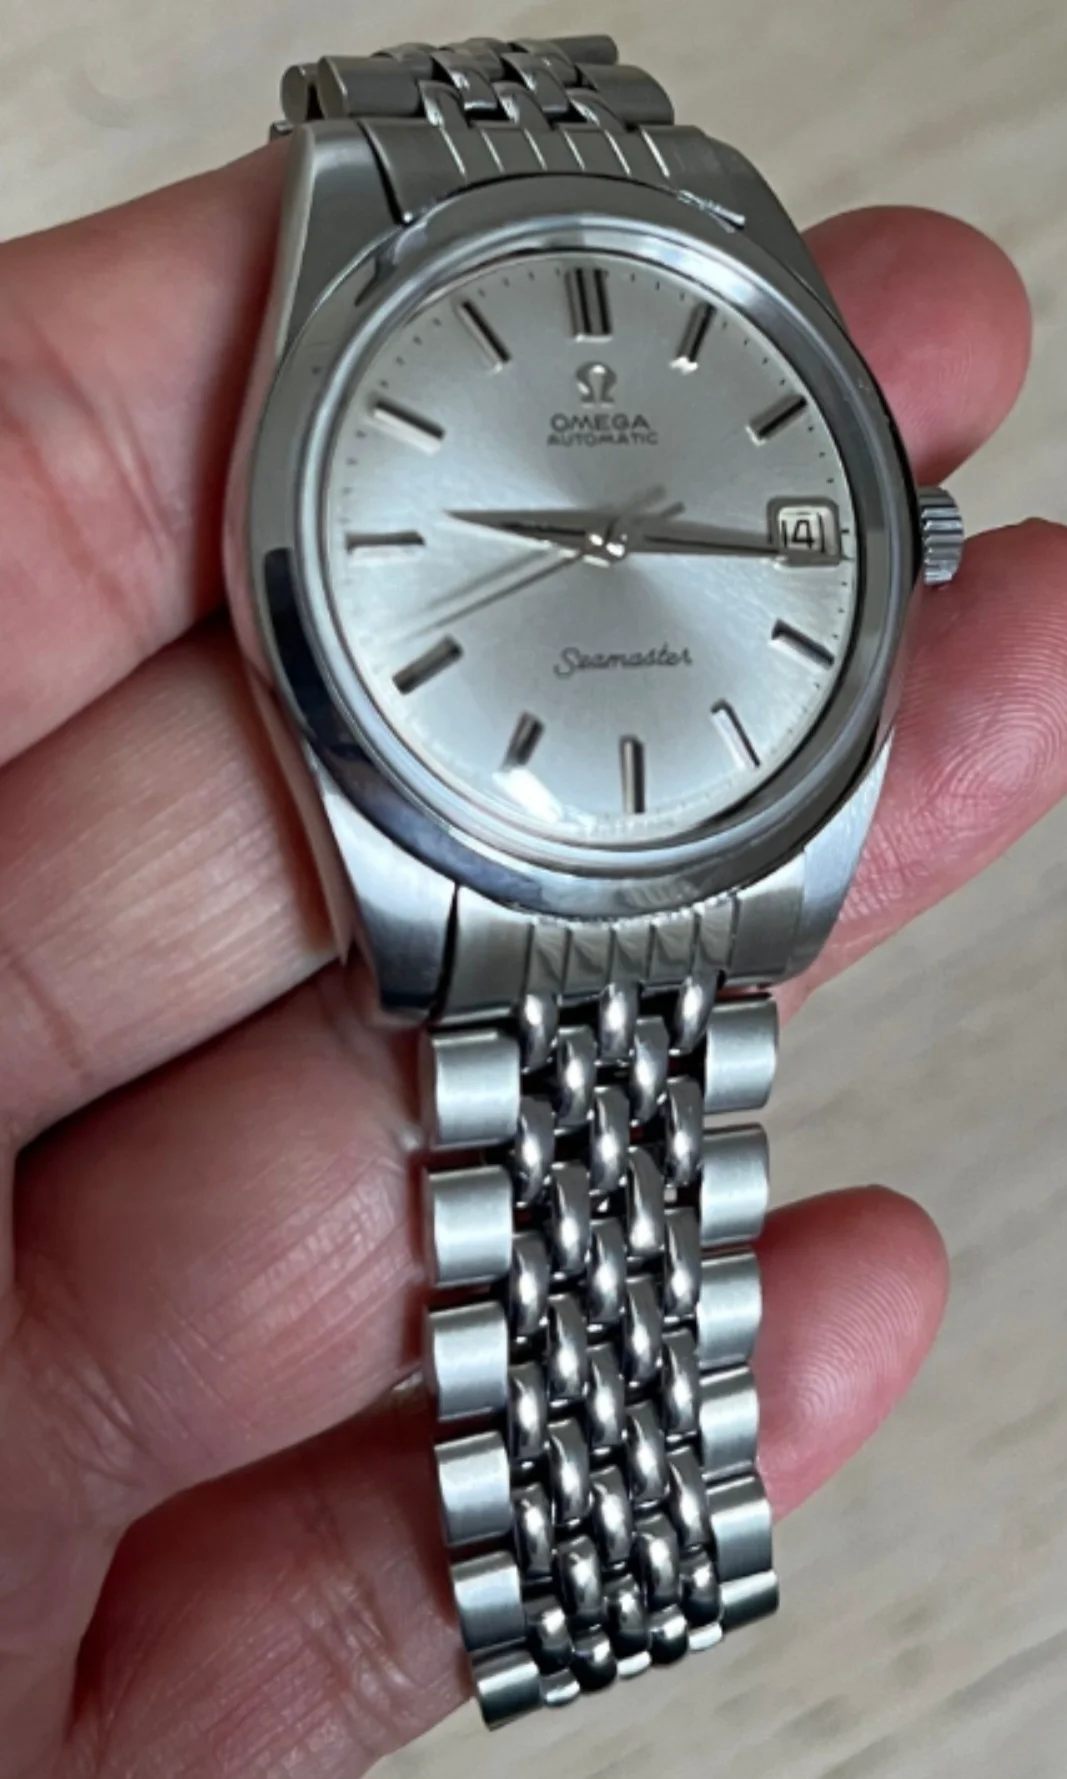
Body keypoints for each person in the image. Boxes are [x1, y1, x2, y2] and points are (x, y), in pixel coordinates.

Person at [0, 139, 1060, 1776]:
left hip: (727, 823)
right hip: (463, 832)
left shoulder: (758, 351)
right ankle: (591, 1565)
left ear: (897, 532)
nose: (610, 545)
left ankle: (600, 1565)